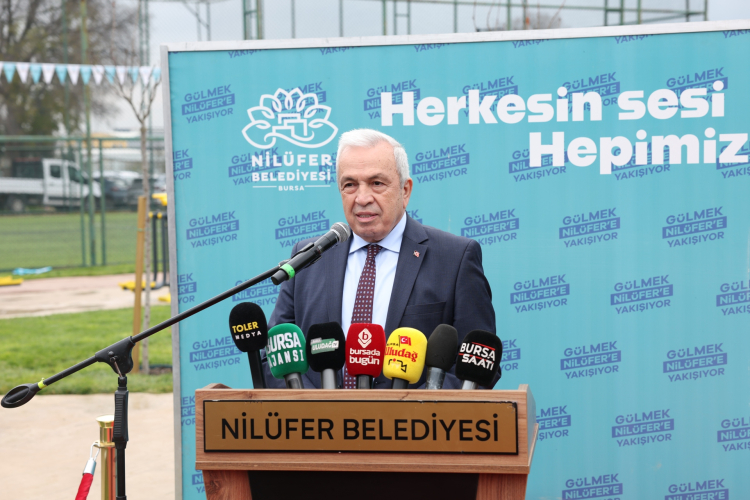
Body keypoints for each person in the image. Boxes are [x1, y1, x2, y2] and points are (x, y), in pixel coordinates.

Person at [267, 128, 496, 388]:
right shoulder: (309, 257)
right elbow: (273, 357)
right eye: (350, 185)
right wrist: (314, 406)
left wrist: (409, 409)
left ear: (405, 190)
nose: (362, 198)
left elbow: (477, 366)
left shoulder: (455, 258)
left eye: (377, 183)